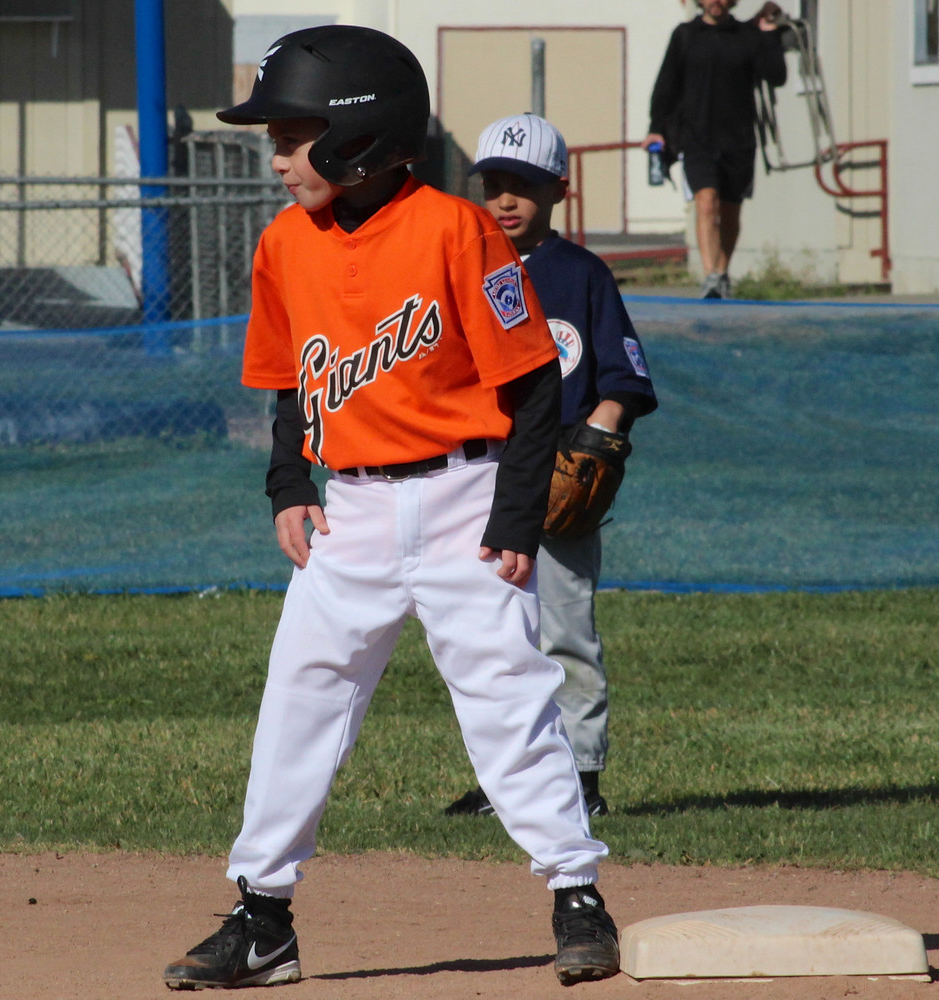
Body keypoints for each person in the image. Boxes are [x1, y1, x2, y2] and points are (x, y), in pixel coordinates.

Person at [162, 26, 619, 990]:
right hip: (353, 510)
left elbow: (534, 382)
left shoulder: (457, 229)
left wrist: (515, 517)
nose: (277, 158)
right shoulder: (284, 245)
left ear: (358, 137)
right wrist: (289, 484)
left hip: (465, 499)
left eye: (292, 137)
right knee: (299, 698)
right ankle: (263, 918)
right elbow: (291, 384)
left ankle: (577, 894)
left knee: (507, 697)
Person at [443, 113, 658, 821]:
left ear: (559, 190)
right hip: (479, 475)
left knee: (564, 631)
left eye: (525, 186)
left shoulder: (582, 274)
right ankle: (505, 776)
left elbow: (624, 379)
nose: (505, 200)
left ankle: (582, 776)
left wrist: (600, 433)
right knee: (488, 637)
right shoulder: (461, 266)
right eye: (494, 185)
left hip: (559, 475)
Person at [644, 0, 789, 299]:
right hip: (696, 139)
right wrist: (656, 127)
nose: (715, 1)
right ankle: (711, 275)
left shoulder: (747, 35)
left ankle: (722, 273)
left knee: (730, 211)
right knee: (706, 202)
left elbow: (776, 76)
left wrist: (770, 35)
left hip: (739, 140)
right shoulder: (685, 35)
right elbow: (666, 85)